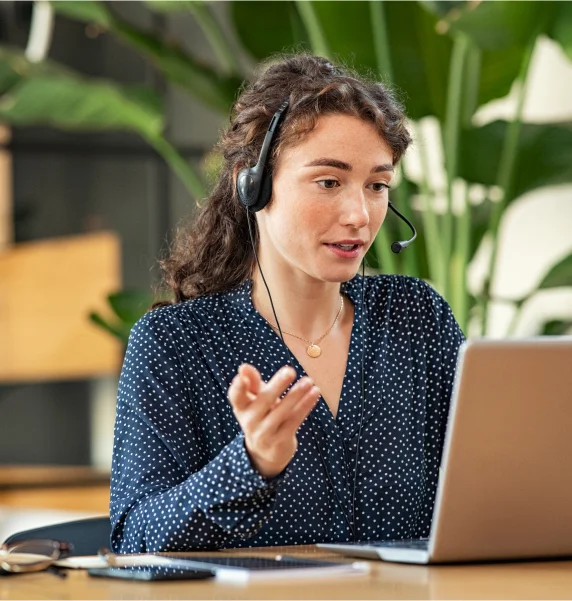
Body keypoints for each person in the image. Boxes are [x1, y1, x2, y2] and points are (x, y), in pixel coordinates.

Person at [109, 53, 465, 554]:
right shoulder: (175, 345)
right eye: (328, 182)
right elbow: (134, 540)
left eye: (377, 186)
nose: (359, 214)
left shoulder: (416, 318)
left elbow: (486, 488)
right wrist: (251, 464)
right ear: (251, 184)